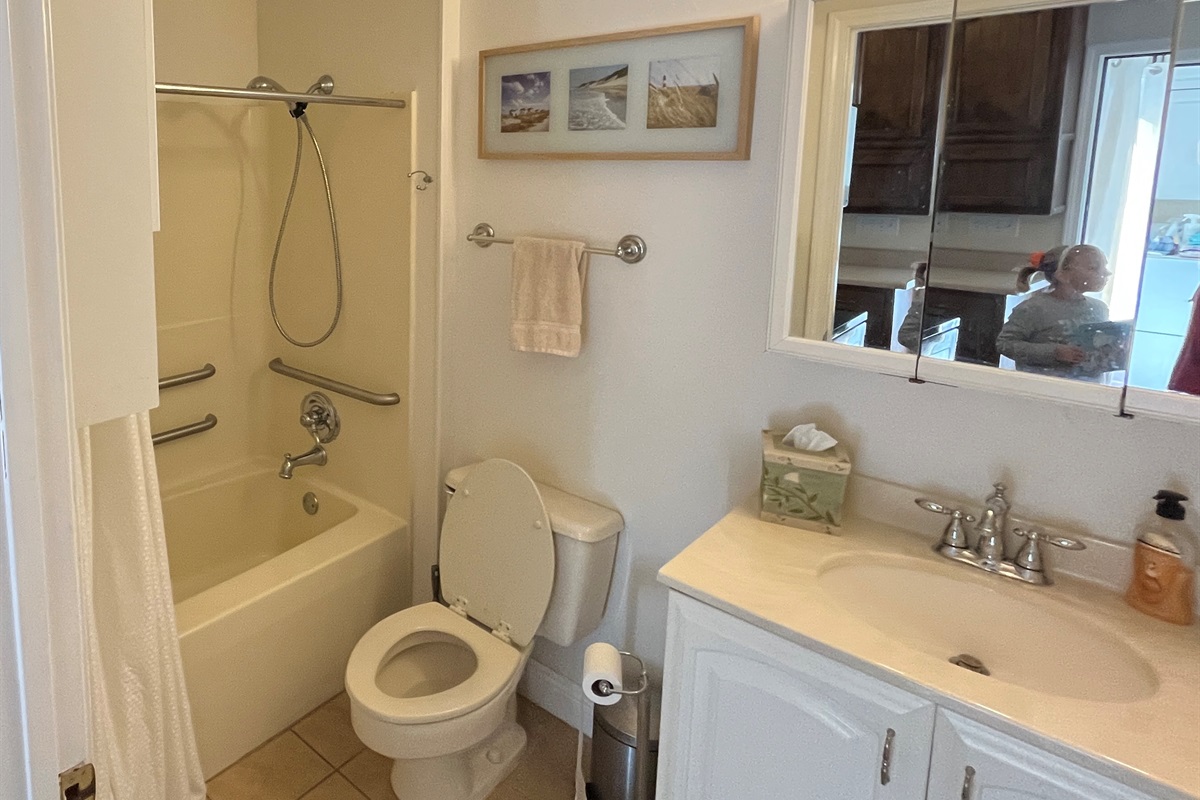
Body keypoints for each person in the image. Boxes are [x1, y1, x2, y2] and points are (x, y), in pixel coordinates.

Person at [996, 244, 1123, 378]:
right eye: (1093, 268)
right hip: (1044, 389)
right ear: (1062, 275)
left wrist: (1115, 350)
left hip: (1088, 390)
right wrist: (1054, 352)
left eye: (1104, 267)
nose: (1107, 273)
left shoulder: (1099, 308)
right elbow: (1004, 344)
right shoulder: (1035, 308)